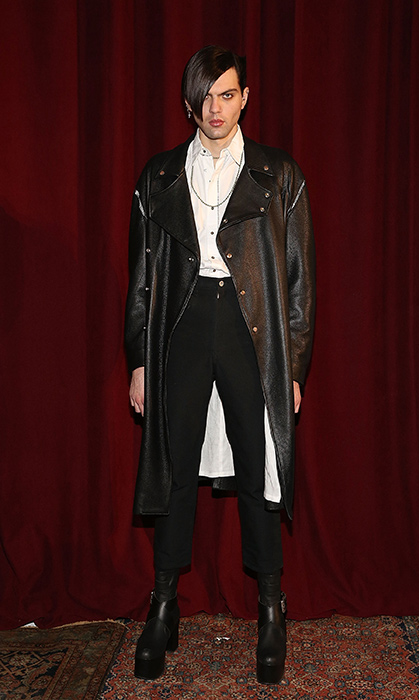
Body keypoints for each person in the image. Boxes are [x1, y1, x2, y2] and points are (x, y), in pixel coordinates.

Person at [125, 45, 315, 685]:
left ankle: (270, 607)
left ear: (245, 99)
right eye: (205, 97)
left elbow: (298, 281)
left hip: (247, 325)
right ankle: (163, 605)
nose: (216, 108)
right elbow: (141, 278)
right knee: (174, 463)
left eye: (227, 94)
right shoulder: (158, 176)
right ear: (189, 104)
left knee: (258, 464)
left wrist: (293, 366)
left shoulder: (278, 174)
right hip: (179, 325)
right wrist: (139, 360)